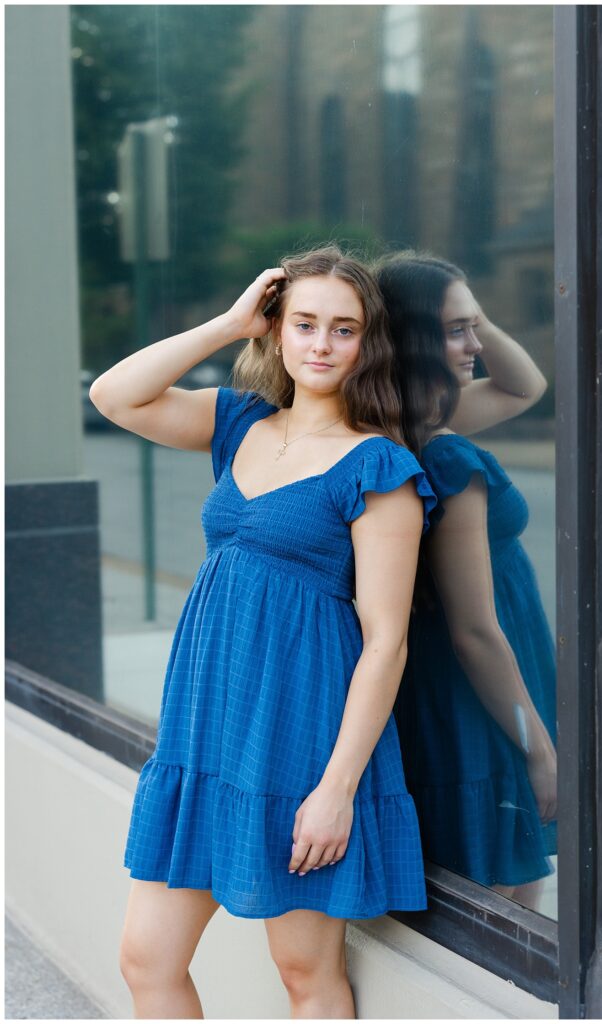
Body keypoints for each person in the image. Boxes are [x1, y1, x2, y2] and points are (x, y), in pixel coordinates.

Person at [90, 245, 437, 1019]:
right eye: (304, 323)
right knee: (146, 960)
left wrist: (336, 790)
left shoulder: (376, 467)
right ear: (276, 330)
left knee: (303, 973)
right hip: (206, 734)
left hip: (301, 741)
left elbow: (387, 642)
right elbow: (117, 396)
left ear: (365, 344)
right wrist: (225, 324)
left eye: (343, 329)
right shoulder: (238, 421)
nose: (320, 344)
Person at [374, 251, 558, 912]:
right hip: (482, 689)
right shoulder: (445, 449)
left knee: (502, 885)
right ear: (413, 339)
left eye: (474, 326)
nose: (476, 343)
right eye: (456, 330)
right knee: (502, 901)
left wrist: (458, 303)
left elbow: (524, 383)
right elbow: (476, 630)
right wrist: (535, 744)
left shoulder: (404, 425)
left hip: (475, 679)